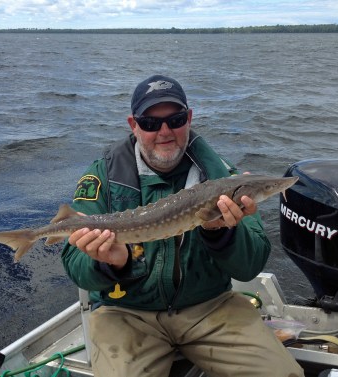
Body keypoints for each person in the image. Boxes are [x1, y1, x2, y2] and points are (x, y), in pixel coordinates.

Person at [61, 74, 304, 377]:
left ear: (189, 118)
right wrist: (111, 265)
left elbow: (249, 267)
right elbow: (74, 263)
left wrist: (222, 234)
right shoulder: (103, 177)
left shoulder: (225, 177)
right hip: (126, 314)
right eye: (150, 123)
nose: (164, 131)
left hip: (210, 307)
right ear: (133, 125)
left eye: (175, 119)